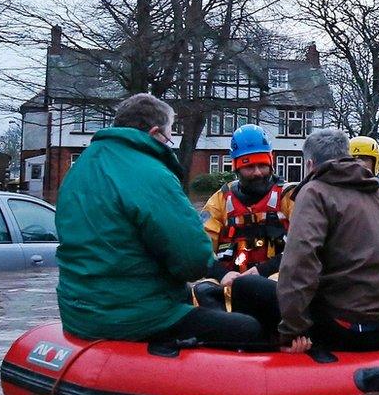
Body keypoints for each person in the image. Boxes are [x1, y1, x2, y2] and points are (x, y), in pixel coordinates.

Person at [55, 93, 265, 346]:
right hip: (133, 316)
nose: (169, 143)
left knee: (201, 297)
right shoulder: (151, 174)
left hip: (76, 313)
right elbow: (193, 260)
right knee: (248, 328)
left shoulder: (79, 168)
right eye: (168, 136)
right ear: (155, 133)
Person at [276, 130, 379, 353]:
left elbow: (300, 262)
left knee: (249, 288)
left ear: (309, 164)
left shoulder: (314, 192)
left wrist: (293, 330)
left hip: (345, 326)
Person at [192, 124, 288, 335]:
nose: (257, 173)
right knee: (202, 290)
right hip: (230, 278)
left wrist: (262, 271)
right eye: (249, 167)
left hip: (274, 275)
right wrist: (222, 273)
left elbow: (306, 247)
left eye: (263, 166)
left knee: (281, 286)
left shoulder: (288, 197)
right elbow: (198, 245)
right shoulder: (220, 200)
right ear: (236, 166)